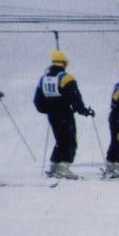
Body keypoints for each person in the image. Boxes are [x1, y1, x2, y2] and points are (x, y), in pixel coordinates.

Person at [32, 49, 94, 179]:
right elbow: (75, 98)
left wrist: (49, 109)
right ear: (64, 64)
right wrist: (84, 111)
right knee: (70, 140)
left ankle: (54, 166)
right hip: (65, 113)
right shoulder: (66, 78)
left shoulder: (43, 79)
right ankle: (63, 168)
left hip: (52, 115)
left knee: (60, 140)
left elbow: (37, 101)